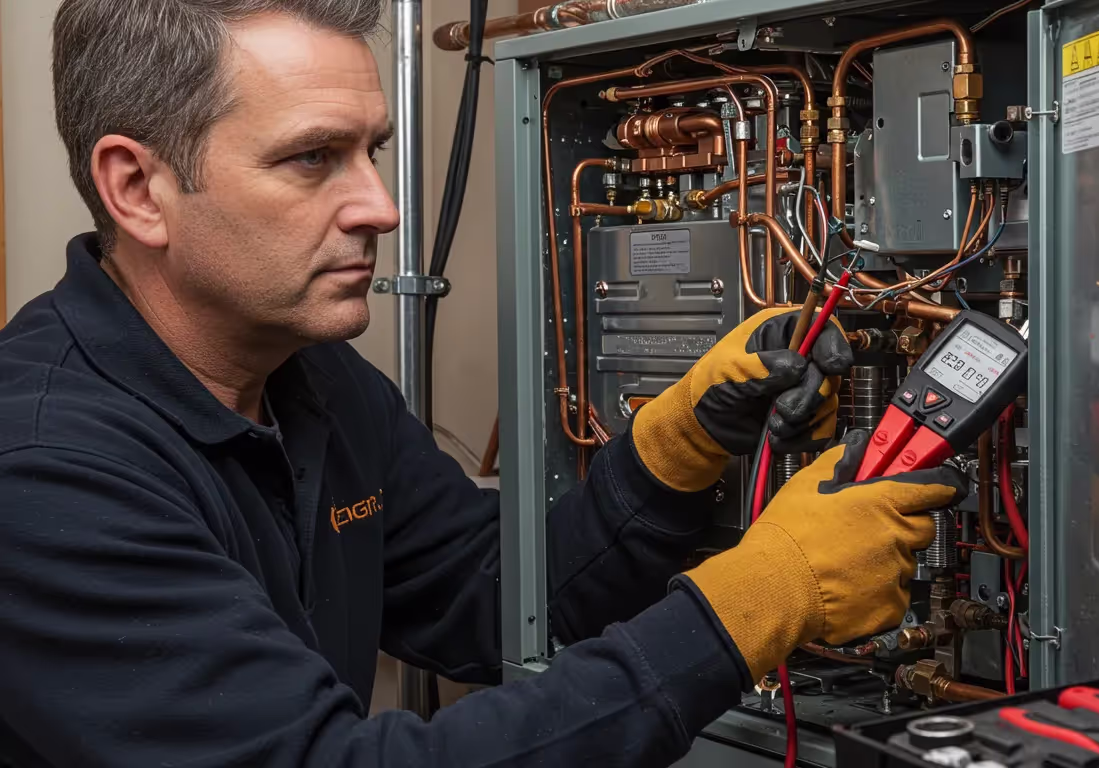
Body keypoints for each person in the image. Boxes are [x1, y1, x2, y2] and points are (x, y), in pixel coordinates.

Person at [0, 1, 966, 765]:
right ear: (137, 188)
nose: (379, 207)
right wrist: (767, 596)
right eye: (311, 159)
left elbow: (491, 600)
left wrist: (679, 446)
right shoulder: (45, 475)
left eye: (371, 151)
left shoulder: (313, 382)